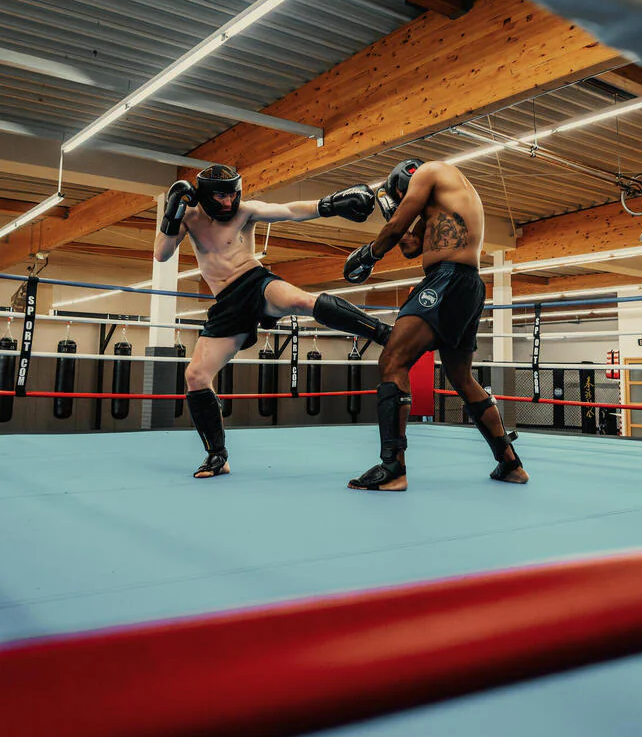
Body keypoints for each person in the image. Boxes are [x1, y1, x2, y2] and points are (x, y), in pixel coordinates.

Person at [154, 163, 391, 478]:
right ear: (205, 197)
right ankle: (217, 456)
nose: (228, 203)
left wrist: (331, 205)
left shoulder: (245, 211)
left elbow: (290, 210)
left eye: (232, 195)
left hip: (254, 282)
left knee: (300, 300)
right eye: (221, 197)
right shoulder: (190, 218)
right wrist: (171, 213)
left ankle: (386, 333)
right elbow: (162, 254)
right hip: (227, 303)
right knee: (196, 377)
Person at [342, 159, 527, 491]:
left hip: (448, 280)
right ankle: (510, 463)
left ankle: (392, 468)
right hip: (468, 286)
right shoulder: (443, 196)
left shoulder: (428, 172)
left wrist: (369, 254)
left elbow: (398, 226)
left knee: (392, 361)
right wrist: (391, 213)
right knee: (460, 376)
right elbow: (411, 246)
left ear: (402, 185)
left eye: (400, 197)